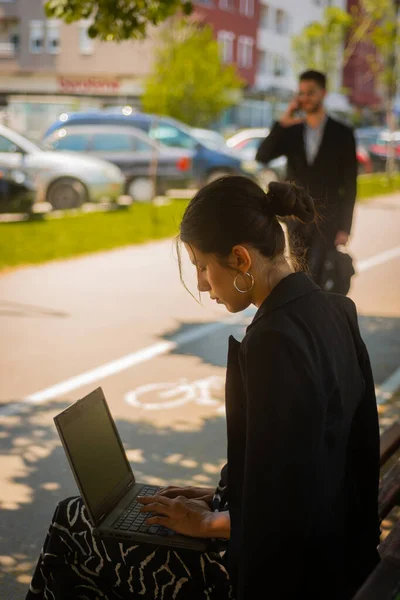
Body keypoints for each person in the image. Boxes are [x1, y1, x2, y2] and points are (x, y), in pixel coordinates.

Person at [26, 176, 380, 600]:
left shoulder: (274, 341)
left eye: (201, 265)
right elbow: (310, 464)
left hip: (285, 577)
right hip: (340, 557)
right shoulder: (334, 310)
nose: (201, 283)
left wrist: (210, 523)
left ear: (239, 259)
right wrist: (221, 497)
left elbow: (288, 509)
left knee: (72, 523)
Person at [256, 70, 358, 287]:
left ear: (323, 93)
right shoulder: (291, 131)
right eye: (301, 93)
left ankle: (319, 318)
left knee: (320, 277)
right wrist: (283, 121)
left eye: (310, 93)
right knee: (299, 277)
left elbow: (350, 185)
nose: (305, 98)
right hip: (296, 218)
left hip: (327, 219)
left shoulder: (342, 133)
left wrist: (345, 227)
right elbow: (262, 156)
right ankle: (306, 319)